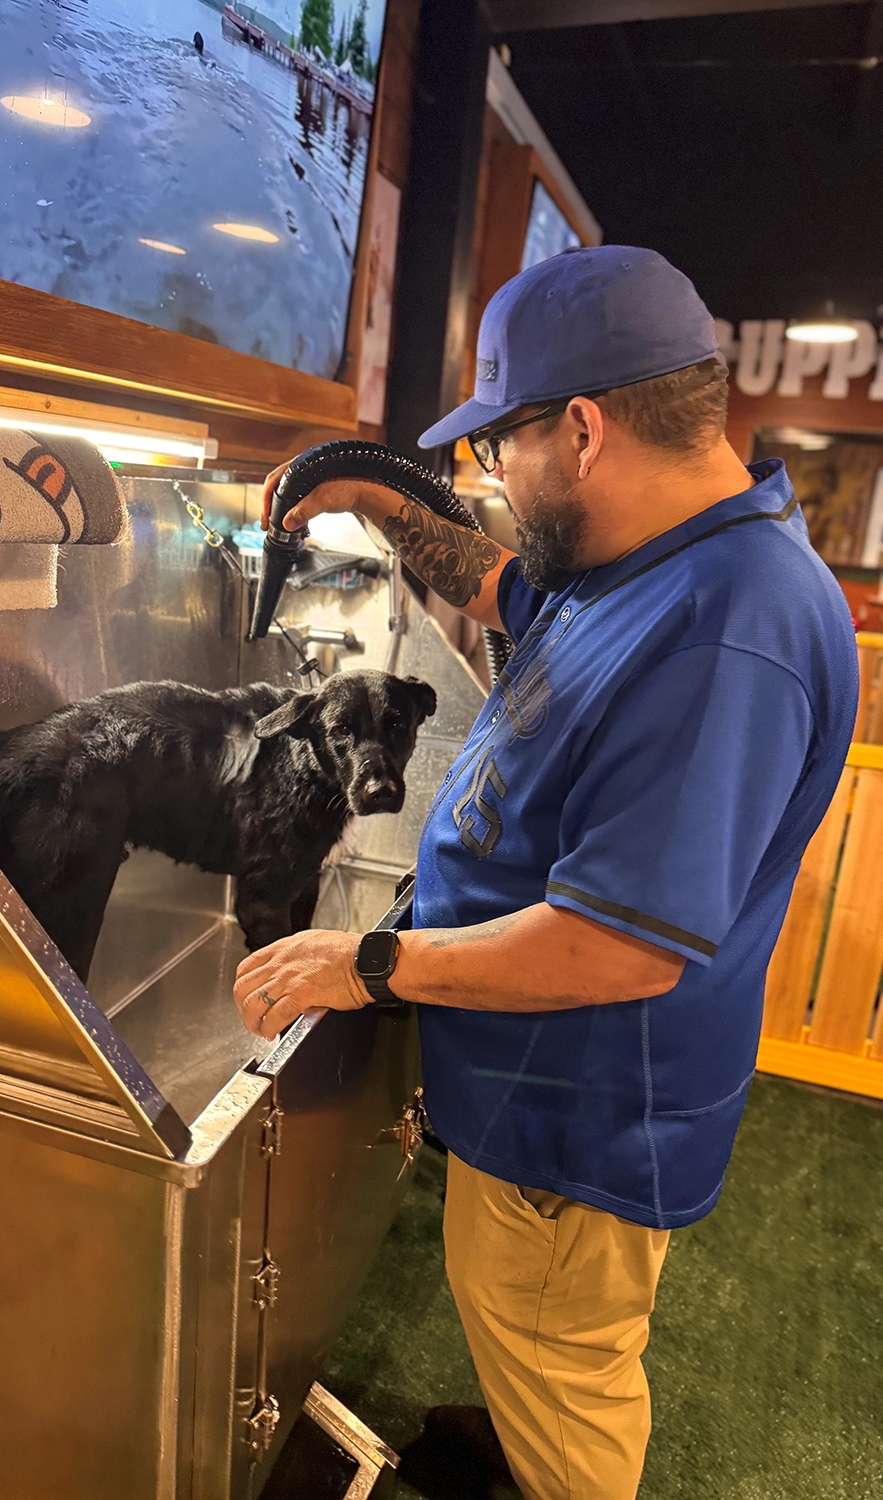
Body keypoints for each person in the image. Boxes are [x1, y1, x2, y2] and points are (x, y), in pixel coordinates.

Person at [233, 245, 857, 1500]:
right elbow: (508, 588)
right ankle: (521, 1442)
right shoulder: (653, 554)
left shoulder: (731, 629)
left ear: (581, 430)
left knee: (566, 1361)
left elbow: (616, 946)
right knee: (524, 1322)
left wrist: (368, 964)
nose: (493, 482)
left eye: (497, 448)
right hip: (535, 1096)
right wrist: (380, 495)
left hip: (580, 1126)